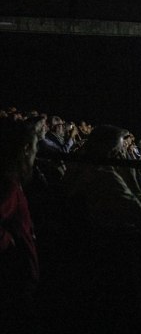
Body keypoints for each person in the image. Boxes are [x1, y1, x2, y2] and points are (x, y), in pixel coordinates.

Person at [0, 119, 40, 329]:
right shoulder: (9, 187)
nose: (36, 153)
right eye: (35, 147)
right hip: (14, 280)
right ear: (25, 149)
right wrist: (10, 243)